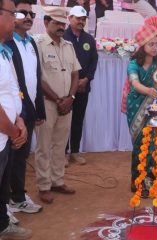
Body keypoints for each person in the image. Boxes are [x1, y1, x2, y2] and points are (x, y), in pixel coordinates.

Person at [35, 6, 81, 204]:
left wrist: (70, 97)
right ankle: (44, 185)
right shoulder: (37, 44)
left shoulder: (68, 46)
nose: (61, 27)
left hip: (66, 103)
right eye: (57, 23)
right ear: (46, 23)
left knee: (60, 145)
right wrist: (58, 99)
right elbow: (37, 78)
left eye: (63, 23)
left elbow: (75, 73)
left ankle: (57, 180)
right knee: (44, 146)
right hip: (47, 103)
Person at [126, 17, 157, 196]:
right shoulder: (133, 64)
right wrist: (148, 91)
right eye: (151, 44)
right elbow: (135, 83)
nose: (155, 47)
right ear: (142, 46)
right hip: (136, 108)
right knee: (141, 143)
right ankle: (139, 181)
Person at [5, 0, 45, 215]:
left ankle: (17, 197)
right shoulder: (7, 44)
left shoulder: (31, 43)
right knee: (10, 158)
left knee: (21, 157)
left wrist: (38, 110)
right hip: (12, 112)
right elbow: (14, 82)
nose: (29, 17)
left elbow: (35, 79)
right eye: (23, 13)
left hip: (27, 111)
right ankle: (12, 199)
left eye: (32, 14)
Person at [0, 0, 31, 238]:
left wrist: (19, 120)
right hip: (5, 133)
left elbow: (12, 91)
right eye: (14, 13)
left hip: (7, 133)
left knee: (2, 188)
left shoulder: (5, 51)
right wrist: (14, 131)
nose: (16, 18)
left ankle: (3, 225)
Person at [64, 6, 98, 165]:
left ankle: (75, 152)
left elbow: (94, 60)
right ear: (69, 18)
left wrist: (87, 79)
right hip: (65, 87)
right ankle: (63, 152)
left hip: (83, 87)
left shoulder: (89, 39)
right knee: (63, 120)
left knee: (78, 119)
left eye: (83, 19)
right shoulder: (63, 36)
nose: (81, 21)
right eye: (78, 18)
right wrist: (72, 82)